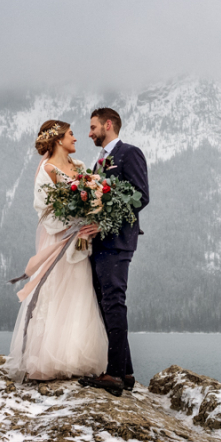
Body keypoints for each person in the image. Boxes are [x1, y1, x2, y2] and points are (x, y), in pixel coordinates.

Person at [4, 120, 109, 382]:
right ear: (59, 139)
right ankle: (47, 360)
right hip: (59, 242)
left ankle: (75, 358)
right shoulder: (47, 169)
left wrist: (90, 215)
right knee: (55, 293)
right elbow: (44, 209)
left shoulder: (81, 168)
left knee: (79, 294)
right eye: (71, 134)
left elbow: (92, 196)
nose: (76, 138)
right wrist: (73, 224)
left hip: (81, 242)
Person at [79, 107, 149, 396]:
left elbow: (140, 196)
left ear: (109, 125)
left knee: (114, 303)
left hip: (117, 241)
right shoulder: (100, 161)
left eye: (94, 127)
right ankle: (127, 372)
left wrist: (103, 223)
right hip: (101, 244)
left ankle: (114, 375)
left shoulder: (129, 153)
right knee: (108, 304)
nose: (90, 132)